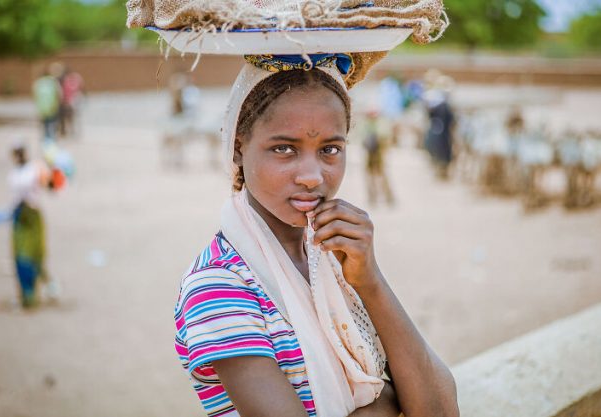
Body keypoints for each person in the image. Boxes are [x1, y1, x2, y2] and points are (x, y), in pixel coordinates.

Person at [174, 56, 458, 417]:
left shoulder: (334, 258)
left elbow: (441, 410)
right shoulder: (219, 286)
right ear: (238, 148)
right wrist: (386, 402)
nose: (311, 175)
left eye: (329, 150)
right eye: (284, 148)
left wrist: (369, 280)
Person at [9, 142, 60, 308]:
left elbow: (53, 185)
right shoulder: (17, 173)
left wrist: (51, 172)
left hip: (32, 215)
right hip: (20, 216)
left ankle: (38, 290)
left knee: (34, 255)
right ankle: (29, 294)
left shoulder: (34, 169)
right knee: (22, 256)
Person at [32, 66, 62, 140]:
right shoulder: (53, 82)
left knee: (45, 125)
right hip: (52, 107)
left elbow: (35, 96)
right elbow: (59, 94)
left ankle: (46, 140)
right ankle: (52, 139)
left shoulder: (38, 83)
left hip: (42, 107)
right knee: (52, 123)